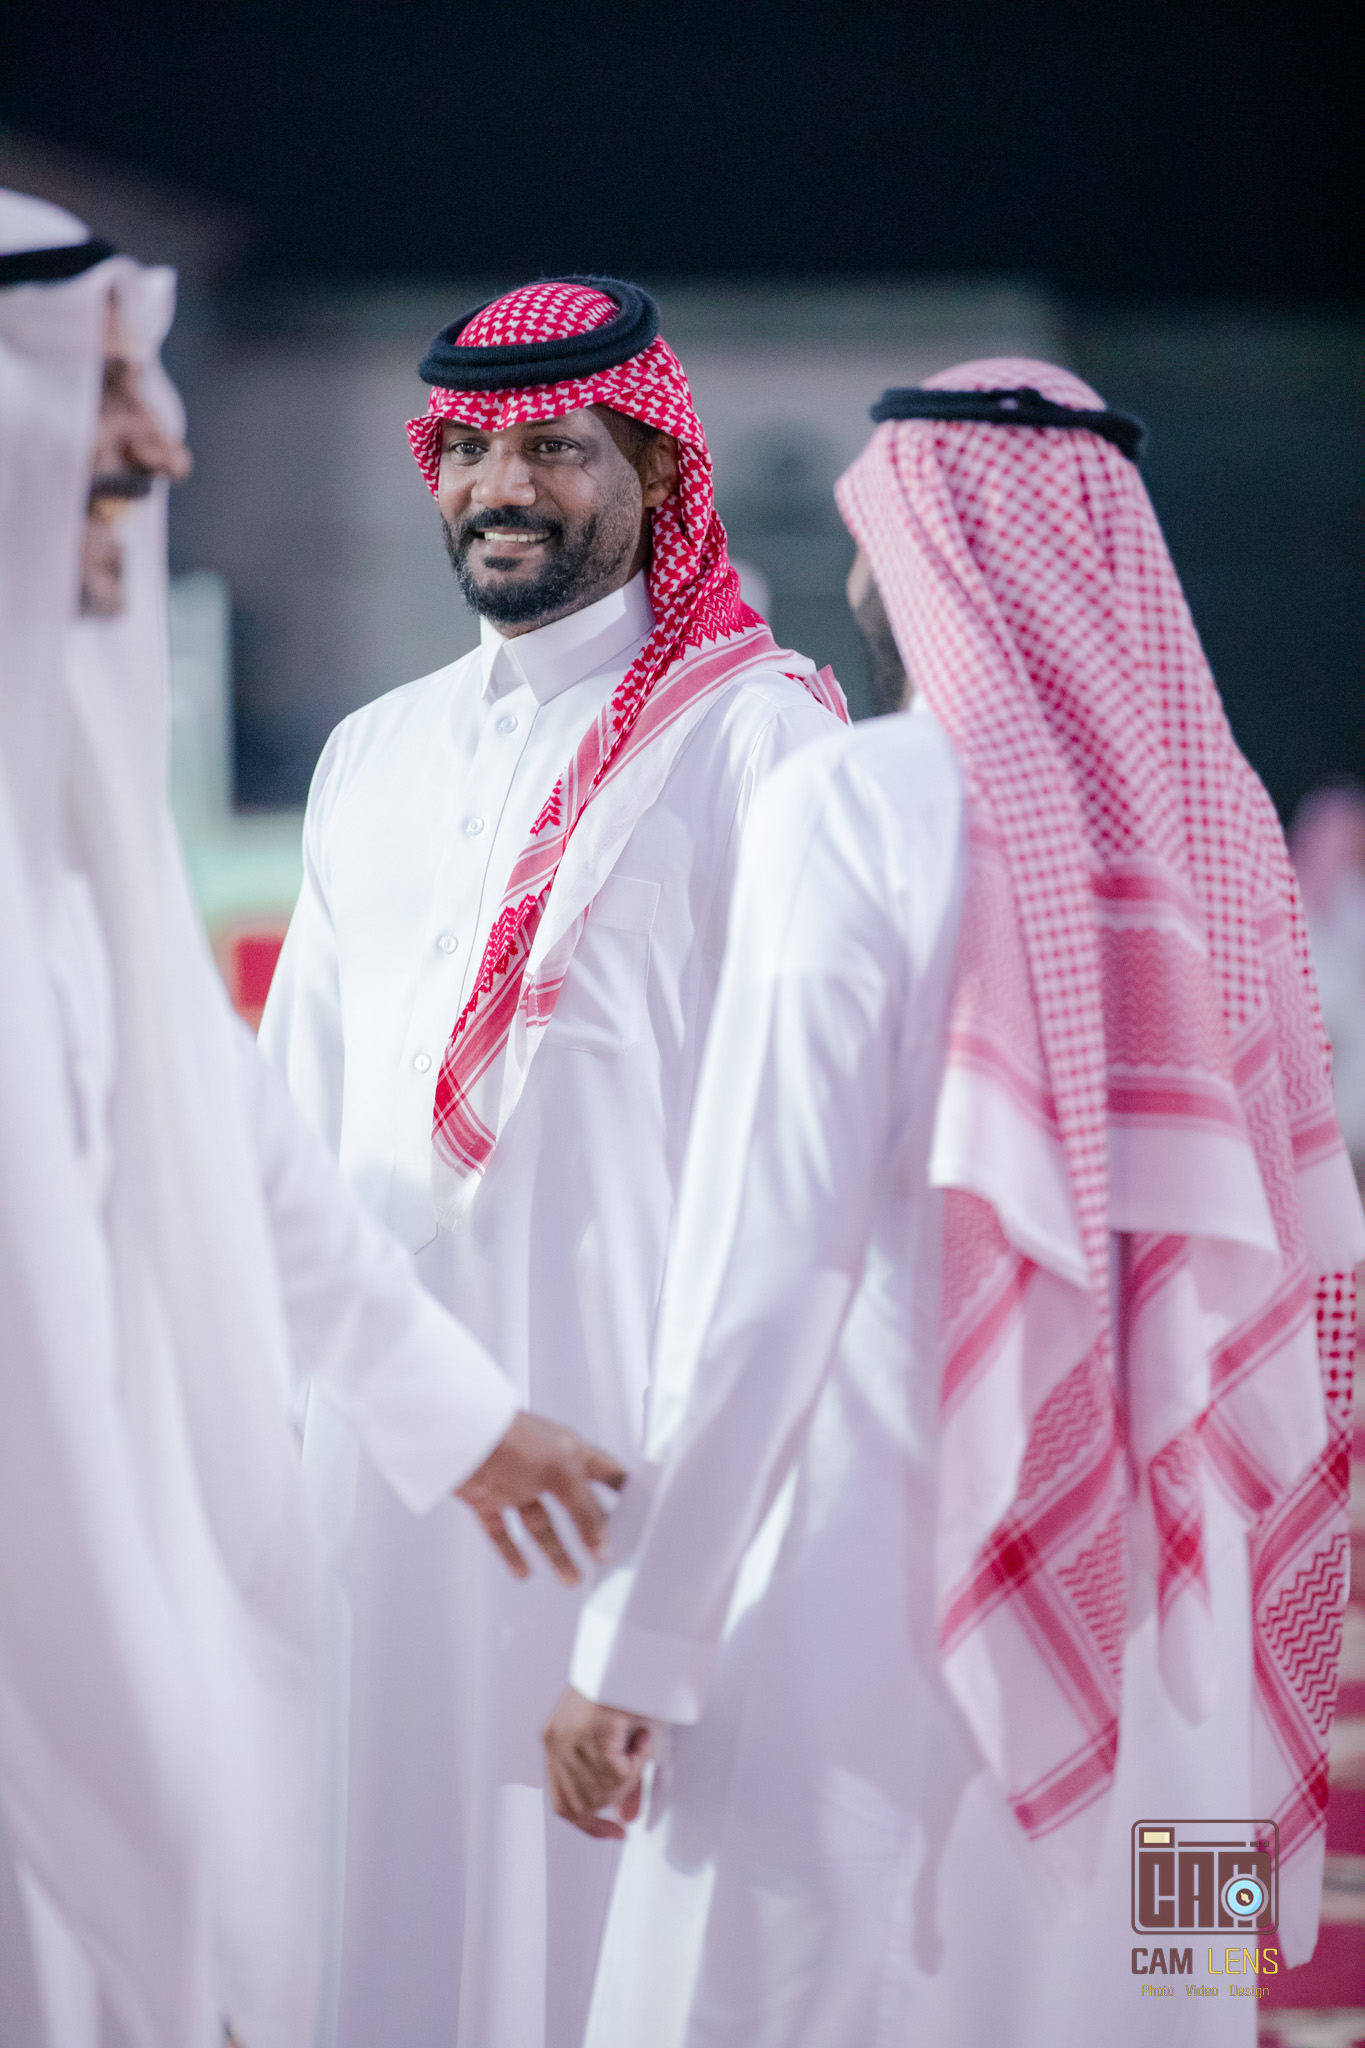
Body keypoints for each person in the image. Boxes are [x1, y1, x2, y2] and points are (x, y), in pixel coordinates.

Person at [544, 361, 1365, 2048]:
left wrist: (637, 1642)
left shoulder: (850, 801)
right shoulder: (1220, 834)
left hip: (889, 1576)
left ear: (914, 555)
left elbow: (763, 1267)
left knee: (819, 1988)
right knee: (1166, 1988)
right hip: (1183, 1580)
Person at [0, 193, 623, 2048]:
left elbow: (216, 1113)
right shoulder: (378, 757)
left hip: (544, 1452)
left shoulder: (769, 751)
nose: (164, 445)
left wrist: (452, 1415)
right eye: (105, 393)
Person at [258, 274, 845, 2047]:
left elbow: (796, 1167)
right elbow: (290, 1128)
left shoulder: (760, 739)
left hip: (628, 1470)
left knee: (607, 1933)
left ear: (653, 471)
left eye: (557, 451)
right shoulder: (371, 754)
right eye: (471, 450)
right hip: (376, 1467)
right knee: (375, 1901)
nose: (503, 487)